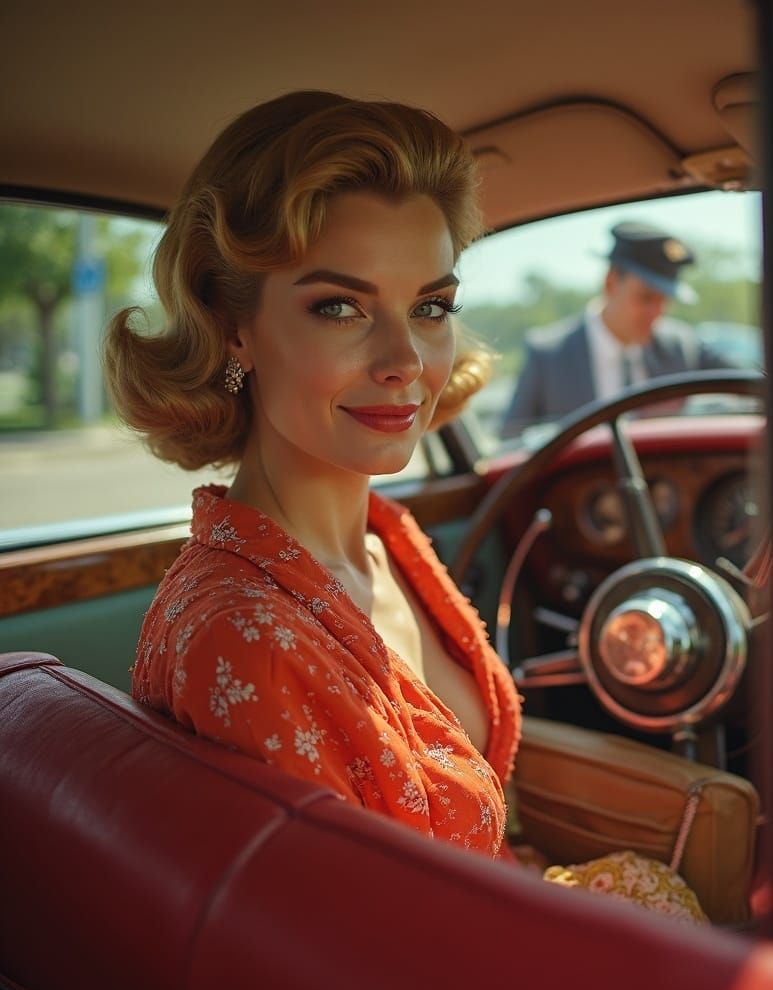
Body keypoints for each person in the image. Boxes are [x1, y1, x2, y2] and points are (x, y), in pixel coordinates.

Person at [104, 91, 705, 921]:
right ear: (230, 324)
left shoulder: (387, 540)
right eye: (339, 307)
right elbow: (346, 960)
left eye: (428, 306)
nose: (404, 360)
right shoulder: (246, 640)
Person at [501, 222, 730, 438]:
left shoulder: (680, 345)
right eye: (646, 297)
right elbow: (511, 443)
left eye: (665, 300)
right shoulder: (548, 355)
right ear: (610, 282)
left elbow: (749, 387)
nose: (657, 312)